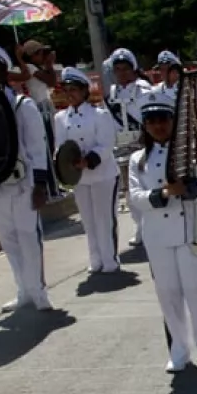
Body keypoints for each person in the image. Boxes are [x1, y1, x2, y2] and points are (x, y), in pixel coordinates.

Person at [128, 90, 197, 373]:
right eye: (151, 120)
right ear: (145, 125)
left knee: (195, 293)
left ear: (172, 121)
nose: (158, 125)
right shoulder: (138, 159)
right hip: (157, 236)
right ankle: (179, 350)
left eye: (163, 119)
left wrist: (188, 189)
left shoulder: (191, 152)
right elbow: (134, 196)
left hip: (190, 231)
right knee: (167, 294)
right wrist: (162, 194)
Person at [0, 42, 54, 312]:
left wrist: (40, 183)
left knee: (28, 236)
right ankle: (23, 289)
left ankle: (38, 289)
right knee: (8, 238)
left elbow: (37, 147)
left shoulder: (21, 105)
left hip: (23, 181)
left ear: (4, 70)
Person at [53, 67, 121, 274]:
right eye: (67, 90)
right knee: (88, 220)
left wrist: (89, 160)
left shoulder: (100, 115)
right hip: (80, 178)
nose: (70, 94)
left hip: (102, 174)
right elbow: (60, 146)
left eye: (74, 89)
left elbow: (106, 145)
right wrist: (67, 163)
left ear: (84, 91)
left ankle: (110, 258)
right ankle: (95, 258)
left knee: (104, 219)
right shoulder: (60, 118)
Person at [105, 48, 154, 248]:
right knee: (130, 190)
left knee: (148, 185)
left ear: (133, 69)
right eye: (118, 70)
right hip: (123, 147)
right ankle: (139, 226)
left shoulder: (144, 90)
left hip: (144, 144)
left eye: (125, 69)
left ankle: (150, 225)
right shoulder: (112, 95)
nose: (122, 73)